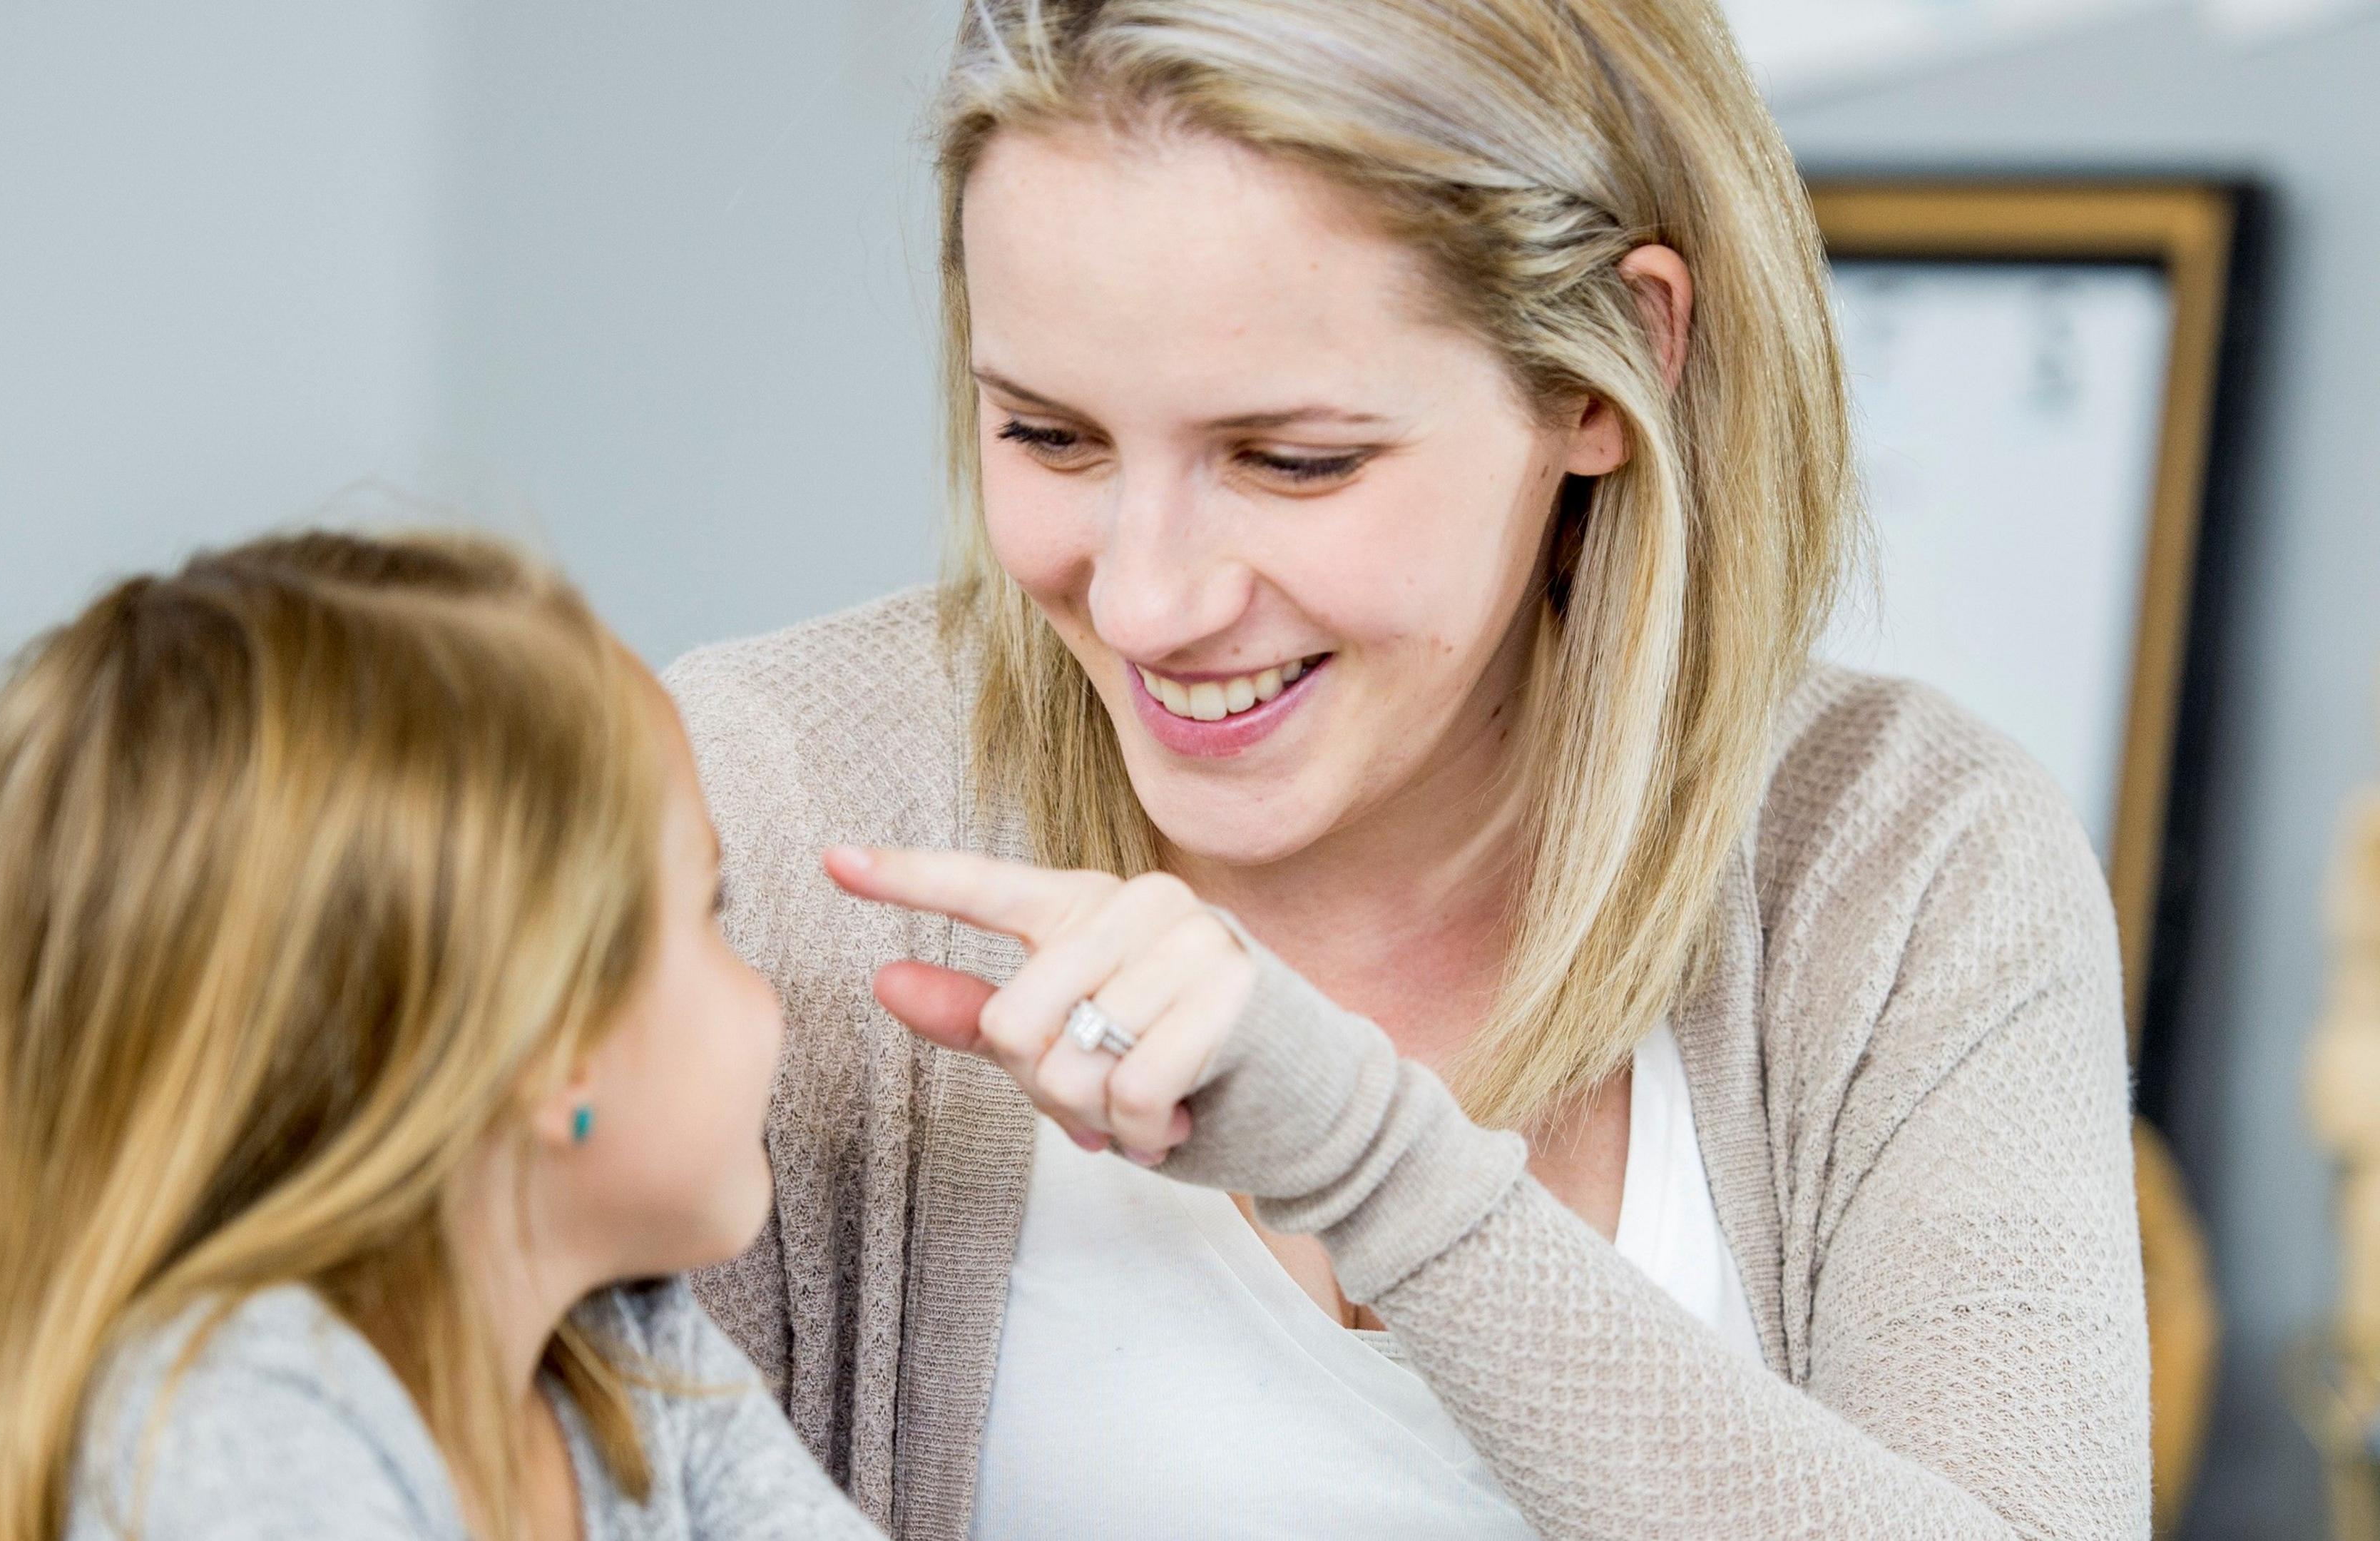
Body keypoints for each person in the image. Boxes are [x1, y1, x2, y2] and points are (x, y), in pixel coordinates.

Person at [665, 1, 2150, 1537]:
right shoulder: (764, 807)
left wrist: (1372, 1167)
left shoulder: (1906, 862)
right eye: (1050, 437)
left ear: (1607, 372)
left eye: (1293, 461)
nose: (1144, 604)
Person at [0, 532, 884, 1541]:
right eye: (712, 908)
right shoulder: (236, 1424)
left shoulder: (625, 1361)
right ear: (550, 1035)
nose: (765, 994)